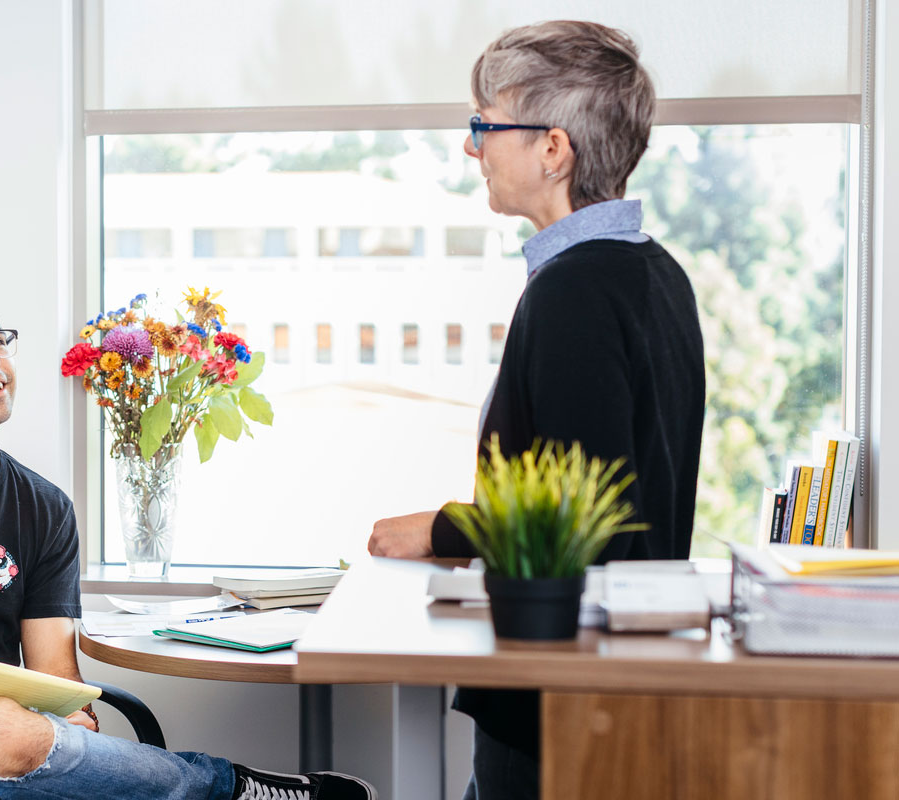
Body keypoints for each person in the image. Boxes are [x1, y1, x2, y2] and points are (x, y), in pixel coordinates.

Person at [0, 280, 377, 800]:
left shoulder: (43, 508)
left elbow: (54, 675)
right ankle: (229, 788)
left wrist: (69, 714)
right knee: (1, 726)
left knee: (16, 727)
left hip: (11, 756)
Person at [365, 21, 705, 800]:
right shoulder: (654, 274)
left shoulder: (573, 292)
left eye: (485, 124)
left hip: (560, 686)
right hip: (611, 683)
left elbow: (591, 518)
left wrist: (439, 528)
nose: (470, 146)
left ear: (552, 149)